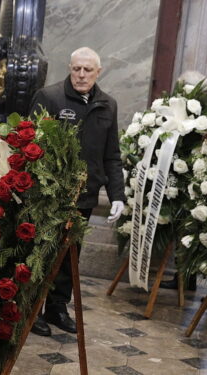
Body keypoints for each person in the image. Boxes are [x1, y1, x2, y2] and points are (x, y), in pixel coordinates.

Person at [29, 47, 125, 336]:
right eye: (76, 69)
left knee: (70, 257)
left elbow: (112, 155)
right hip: (50, 197)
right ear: (70, 68)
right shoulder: (49, 97)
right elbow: (31, 144)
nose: (81, 75)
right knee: (41, 256)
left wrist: (117, 195)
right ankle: (32, 311)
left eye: (88, 70)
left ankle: (57, 308)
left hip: (84, 197)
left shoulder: (108, 105)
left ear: (98, 72)